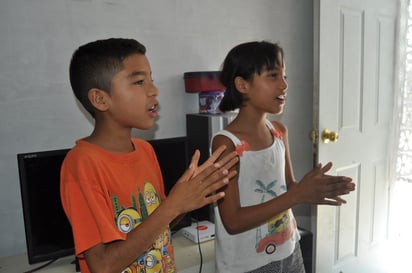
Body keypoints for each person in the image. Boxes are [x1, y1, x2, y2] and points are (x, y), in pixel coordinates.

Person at [60, 38, 238, 273]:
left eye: (151, 80)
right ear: (100, 99)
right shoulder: (81, 164)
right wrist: (173, 206)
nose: (154, 90)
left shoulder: (145, 150)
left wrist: (186, 199)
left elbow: (158, 223)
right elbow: (102, 265)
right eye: (139, 82)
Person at [211, 41, 356, 273]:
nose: (284, 85)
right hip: (247, 265)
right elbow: (233, 221)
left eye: (284, 76)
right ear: (242, 85)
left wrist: (310, 190)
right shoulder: (227, 143)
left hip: (288, 249)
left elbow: (289, 188)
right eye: (273, 76)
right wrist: (297, 195)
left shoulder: (278, 131)